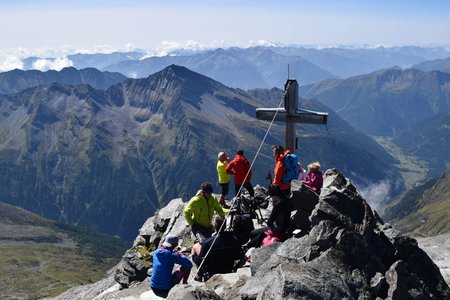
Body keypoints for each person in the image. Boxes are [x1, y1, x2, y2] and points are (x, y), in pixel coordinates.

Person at [266, 145, 294, 238]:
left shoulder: (280, 163)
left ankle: (271, 226)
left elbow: (277, 178)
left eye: (274, 153)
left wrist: (272, 186)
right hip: (287, 186)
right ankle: (283, 229)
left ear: (277, 153)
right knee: (285, 208)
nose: (273, 155)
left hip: (281, 187)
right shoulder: (287, 160)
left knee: (278, 206)